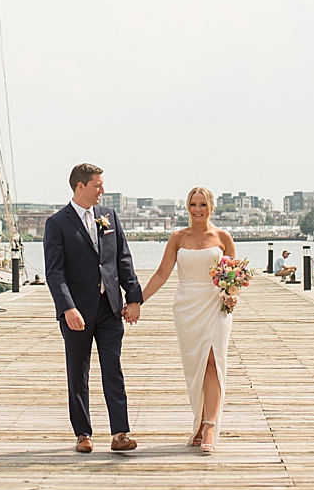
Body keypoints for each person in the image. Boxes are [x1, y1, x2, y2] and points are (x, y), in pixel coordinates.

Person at [42, 162, 143, 454]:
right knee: (78, 373)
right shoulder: (57, 223)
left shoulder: (108, 216)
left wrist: (133, 298)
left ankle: (120, 433)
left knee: (114, 370)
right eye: (98, 185)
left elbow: (122, 258)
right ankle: (83, 433)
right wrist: (67, 308)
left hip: (109, 308)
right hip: (77, 312)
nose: (103, 190)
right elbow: (55, 272)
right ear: (80, 186)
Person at [141, 186, 236, 454]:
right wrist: (137, 301)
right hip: (186, 306)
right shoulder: (177, 237)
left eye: (202, 205)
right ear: (187, 207)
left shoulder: (222, 237)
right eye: (193, 204)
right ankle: (199, 421)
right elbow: (161, 274)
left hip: (215, 304)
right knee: (195, 366)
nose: (198, 209)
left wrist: (231, 296)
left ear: (211, 207)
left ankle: (209, 426)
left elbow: (232, 276)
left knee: (212, 361)